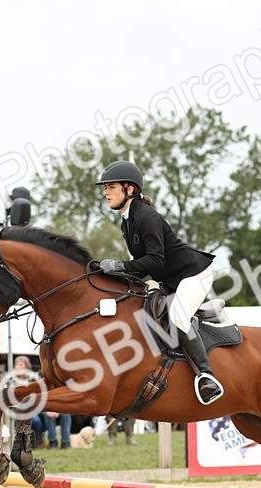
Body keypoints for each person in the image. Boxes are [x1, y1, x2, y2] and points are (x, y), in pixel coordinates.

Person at [94, 160, 223, 405]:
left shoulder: (146, 216)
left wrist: (119, 266)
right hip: (171, 279)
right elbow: (142, 266)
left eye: (110, 187)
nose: (105, 192)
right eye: (105, 188)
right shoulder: (127, 220)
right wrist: (107, 274)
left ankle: (207, 377)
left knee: (177, 317)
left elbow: (154, 261)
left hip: (193, 274)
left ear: (129, 189)